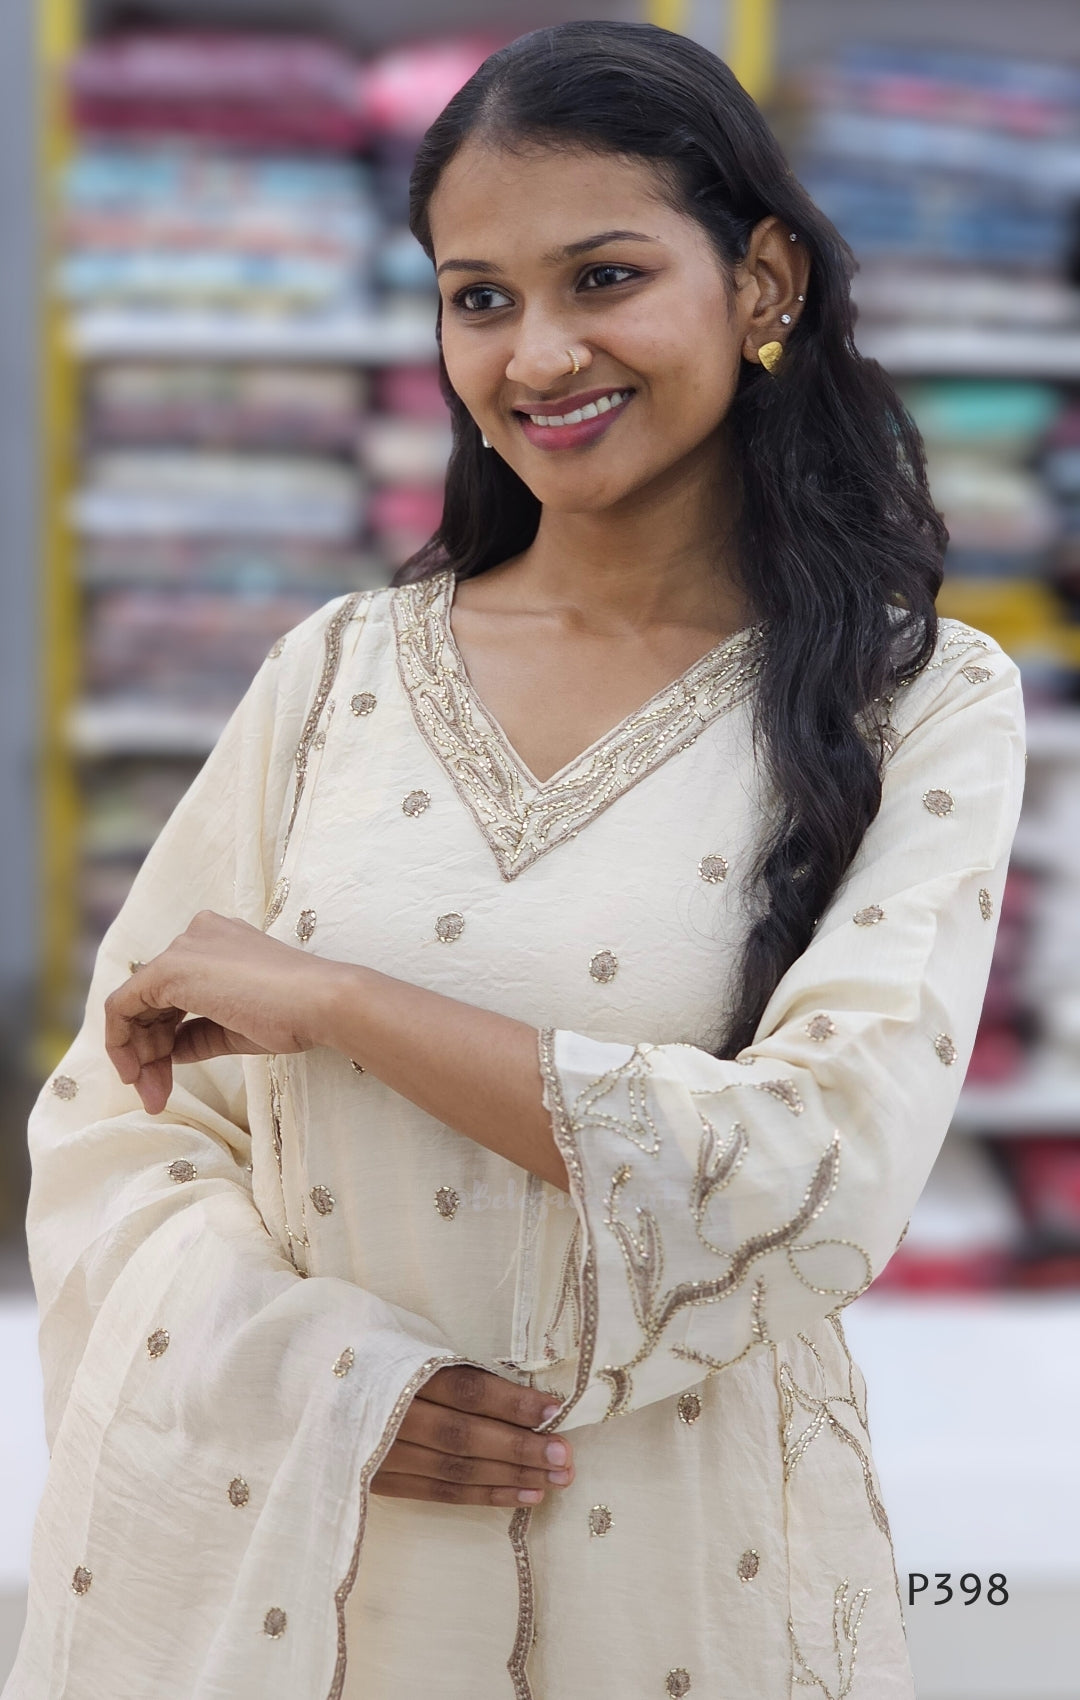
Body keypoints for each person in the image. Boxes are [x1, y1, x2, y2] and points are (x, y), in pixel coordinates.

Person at [8, 19, 1025, 1700]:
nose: (539, 355)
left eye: (604, 278)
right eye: (478, 297)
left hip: (687, 1589)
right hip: (328, 1572)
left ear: (761, 282)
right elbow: (119, 1127)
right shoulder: (336, 674)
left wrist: (342, 1001)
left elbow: (823, 1171)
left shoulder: (917, 697)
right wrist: (324, 1381)